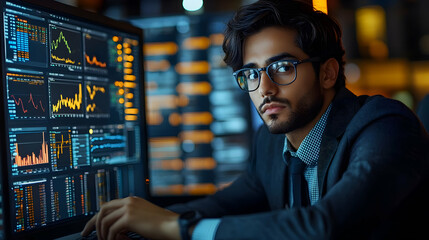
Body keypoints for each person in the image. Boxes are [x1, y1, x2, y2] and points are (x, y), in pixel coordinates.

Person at [81, 0, 429, 239]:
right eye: (250, 73)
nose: (264, 89)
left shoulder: (385, 125)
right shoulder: (271, 142)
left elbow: (326, 227)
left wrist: (178, 230)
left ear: (327, 73)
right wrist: (137, 221)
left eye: (282, 68)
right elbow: (222, 205)